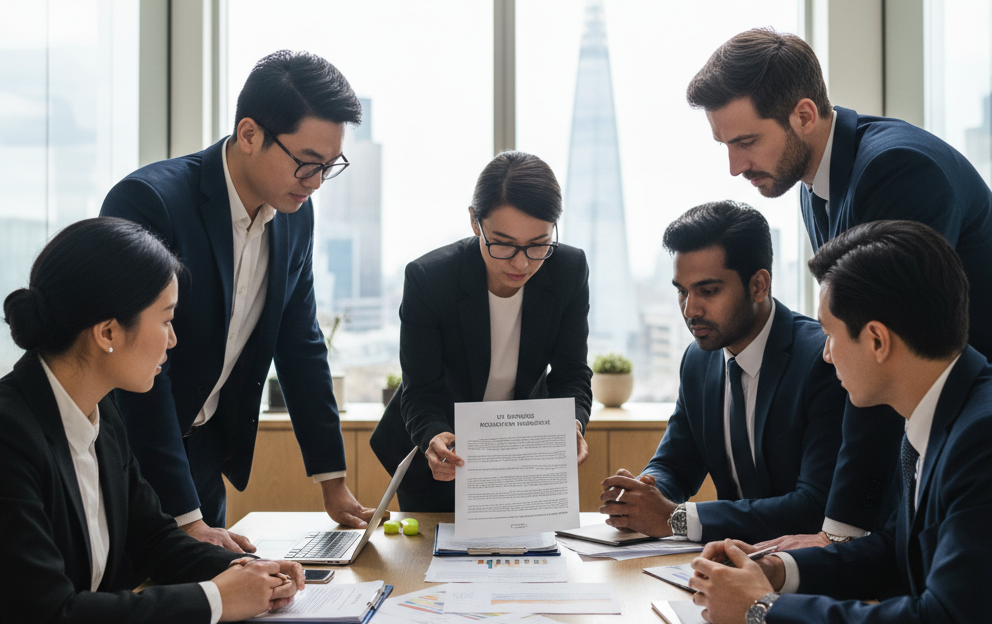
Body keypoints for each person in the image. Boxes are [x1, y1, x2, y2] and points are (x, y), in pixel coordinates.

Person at [687, 28, 992, 545]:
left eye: (745, 142)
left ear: (803, 115)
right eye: (725, 145)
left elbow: (883, 350)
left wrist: (839, 533)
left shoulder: (896, 169)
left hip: (991, 429)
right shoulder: (813, 186)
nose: (734, 167)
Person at [689, 221, 992, 624]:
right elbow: (898, 550)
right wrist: (778, 570)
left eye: (829, 333)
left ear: (876, 340)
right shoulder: (946, 405)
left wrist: (762, 612)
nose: (824, 354)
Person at [0, 217, 304, 624]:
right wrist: (217, 599)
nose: (174, 339)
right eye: (165, 319)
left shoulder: (103, 416)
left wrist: (248, 572)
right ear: (107, 333)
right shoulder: (9, 433)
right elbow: (50, 620)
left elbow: (154, 542)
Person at [101, 50, 373, 552]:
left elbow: (301, 344)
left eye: (328, 168)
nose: (314, 184)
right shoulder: (151, 203)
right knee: (137, 603)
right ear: (249, 135)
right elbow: (138, 366)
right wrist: (186, 518)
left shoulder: (295, 216)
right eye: (306, 165)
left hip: (205, 451)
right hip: (130, 456)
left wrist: (332, 482)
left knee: (219, 613)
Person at [598, 201, 846, 543]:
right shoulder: (697, 362)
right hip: (724, 564)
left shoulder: (823, 360)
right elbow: (675, 465)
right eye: (682, 292)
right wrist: (642, 495)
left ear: (758, 285)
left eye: (708, 291)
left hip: (804, 569)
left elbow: (814, 506)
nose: (690, 309)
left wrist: (675, 518)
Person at [370, 151, 592, 511]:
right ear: (475, 222)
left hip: (520, 454)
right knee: (432, 560)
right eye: (503, 243)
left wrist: (573, 424)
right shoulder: (430, 280)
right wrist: (433, 436)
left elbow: (572, 374)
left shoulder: (568, 269)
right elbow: (420, 390)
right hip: (441, 455)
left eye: (538, 244)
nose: (521, 263)